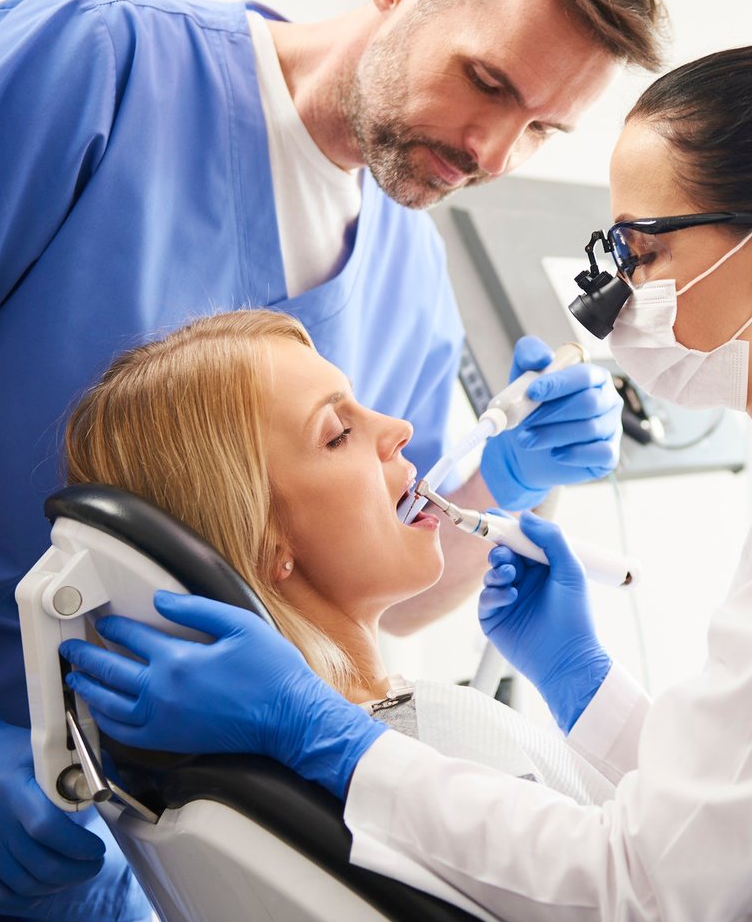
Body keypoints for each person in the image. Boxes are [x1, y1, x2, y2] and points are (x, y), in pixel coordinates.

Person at [62, 43, 752, 922]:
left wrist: (325, 734)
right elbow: (729, 812)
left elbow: (649, 888)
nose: (612, 289)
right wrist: (579, 679)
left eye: (639, 248)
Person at [0, 0, 661, 922]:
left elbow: (366, 587)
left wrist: (498, 482)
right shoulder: (100, 66)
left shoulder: (406, 267)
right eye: (488, 82)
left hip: (131, 866)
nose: (490, 152)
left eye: (543, 130)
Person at [63, 309, 613, 809]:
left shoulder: (354, 761)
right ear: (264, 544)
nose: (401, 431)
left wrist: (582, 686)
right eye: (338, 434)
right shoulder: (421, 761)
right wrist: (583, 686)